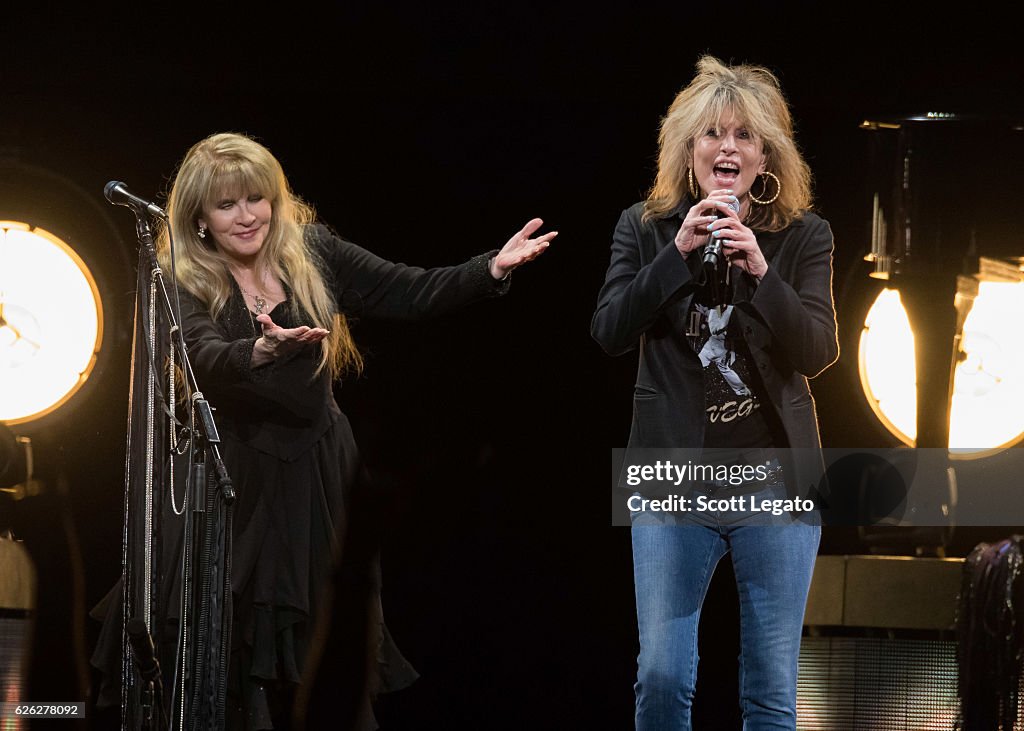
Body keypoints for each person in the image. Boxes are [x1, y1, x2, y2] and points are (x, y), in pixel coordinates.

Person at [94, 131, 556, 730]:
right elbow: (199, 356)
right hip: (230, 474)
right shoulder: (179, 272)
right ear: (200, 219)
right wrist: (256, 351)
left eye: (256, 198)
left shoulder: (311, 250)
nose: (246, 216)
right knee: (226, 645)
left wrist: (489, 268)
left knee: (319, 635)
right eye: (227, 205)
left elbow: (406, 289)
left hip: (317, 470)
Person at [591, 56, 838, 730]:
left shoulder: (802, 236)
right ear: (688, 150)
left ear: (767, 157)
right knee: (663, 673)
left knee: (769, 689)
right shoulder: (643, 228)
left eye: (745, 136)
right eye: (711, 134)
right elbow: (609, 329)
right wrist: (676, 255)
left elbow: (818, 351)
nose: (727, 146)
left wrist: (761, 269)